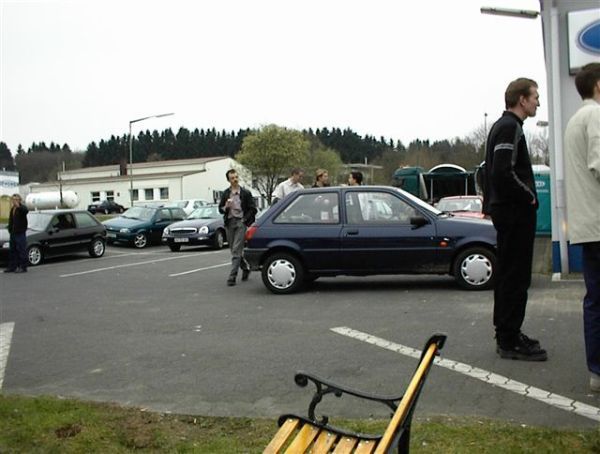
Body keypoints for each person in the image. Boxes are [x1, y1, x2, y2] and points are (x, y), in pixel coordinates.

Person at [483, 77, 547, 361]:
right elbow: (501, 172)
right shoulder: (509, 127)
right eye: (535, 97)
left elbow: (489, 173)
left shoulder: (506, 126)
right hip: (514, 213)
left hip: (507, 211)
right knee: (515, 276)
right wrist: (530, 197)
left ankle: (508, 333)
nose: (538, 102)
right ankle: (509, 339)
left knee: (511, 275)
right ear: (522, 99)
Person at [564, 62, 600, 391]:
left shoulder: (575, 121)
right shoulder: (597, 116)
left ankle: (597, 371)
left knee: (594, 299)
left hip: (587, 225)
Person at [218, 169, 257, 286]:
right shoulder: (226, 193)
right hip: (229, 222)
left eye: (236, 177)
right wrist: (225, 207)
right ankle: (245, 267)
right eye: (232, 178)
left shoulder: (245, 193)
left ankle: (232, 276)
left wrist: (245, 220)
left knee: (236, 249)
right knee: (233, 250)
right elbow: (220, 209)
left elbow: (253, 209)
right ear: (228, 180)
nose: (235, 180)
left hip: (241, 222)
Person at [4, 193, 29, 273]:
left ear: (19, 200)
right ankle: (12, 267)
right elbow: (11, 220)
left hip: (20, 233)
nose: (14, 201)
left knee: (21, 250)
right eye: (13, 199)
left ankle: (23, 267)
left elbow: (26, 211)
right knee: (12, 250)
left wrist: (18, 206)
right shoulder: (12, 209)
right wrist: (10, 229)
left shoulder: (21, 208)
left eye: (16, 199)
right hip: (13, 233)